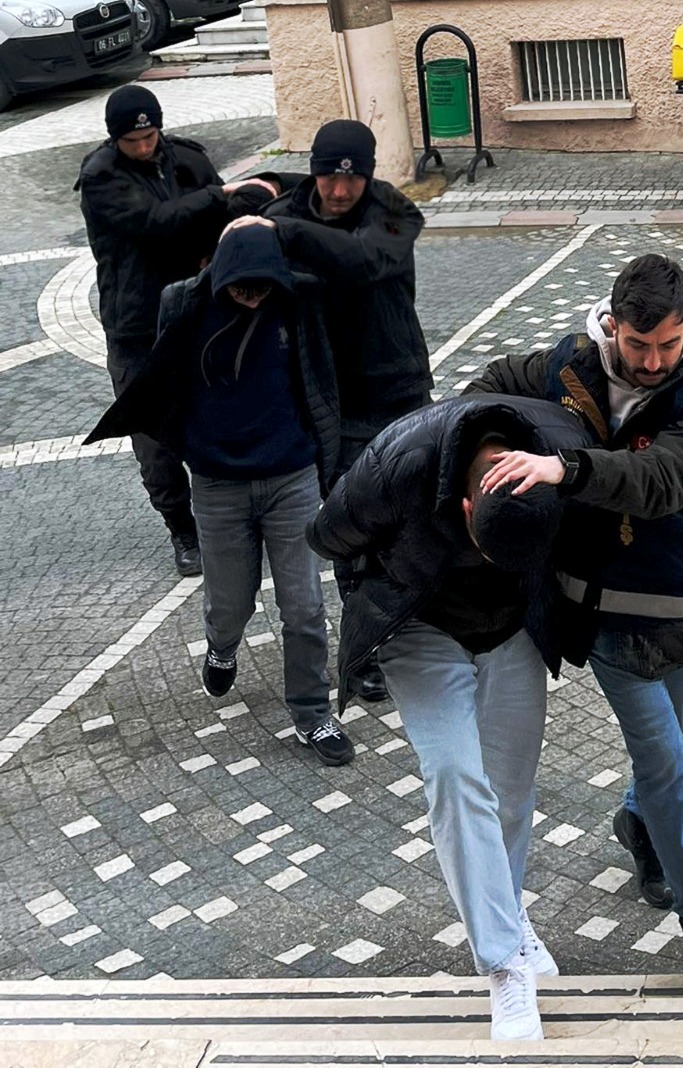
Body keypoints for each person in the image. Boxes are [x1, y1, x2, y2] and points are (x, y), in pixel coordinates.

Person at [465, 254, 683, 999]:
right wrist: (498, 459)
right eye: (638, 346)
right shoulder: (565, 366)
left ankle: (637, 827)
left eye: (668, 345)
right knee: (666, 764)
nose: (653, 361)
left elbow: (662, 484)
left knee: (677, 743)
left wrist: (565, 467)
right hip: (607, 613)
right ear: (612, 324)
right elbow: (482, 394)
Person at [306, 395, 593, 1040]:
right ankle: (503, 966)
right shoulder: (397, 468)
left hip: (513, 627)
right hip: (423, 630)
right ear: (466, 508)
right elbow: (326, 536)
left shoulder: (554, 446)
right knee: (456, 776)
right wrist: (375, 594)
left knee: (511, 790)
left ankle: (509, 916)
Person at [84, 225, 354, 767]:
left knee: (303, 607)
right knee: (230, 604)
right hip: (217, 485)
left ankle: (313, 713)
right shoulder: (181, 301)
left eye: (262, 286)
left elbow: (326, 365)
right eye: (240, 287)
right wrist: (190, 451)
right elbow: (165, 379)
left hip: (291, 478)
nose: (252, 296)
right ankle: (222, 648)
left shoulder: (299, 298)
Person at [233, 118, 433, 705]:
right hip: (333, 403)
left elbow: (361, 260)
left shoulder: (399, 213)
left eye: (352, 181)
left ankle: (410, 626)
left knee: (410, 522)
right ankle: (364, 649)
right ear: (315, 170)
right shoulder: (291, 208)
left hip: (399, 390)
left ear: (369, 177)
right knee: (353, 529)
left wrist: (281, 229)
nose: (340, 192)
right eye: (328, 177)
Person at [77, 84, 277, 576]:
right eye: (133, 141)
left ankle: (237, 520)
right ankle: (183, 532)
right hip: (137, 327)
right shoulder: (101, 179)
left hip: (196, 313)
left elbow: (224, 218)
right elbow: (154, 222)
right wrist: (216, 197)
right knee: (155, 441)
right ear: (115, 139)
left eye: (150, 136)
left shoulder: (187, 159)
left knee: (224, 415)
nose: (144, 147)